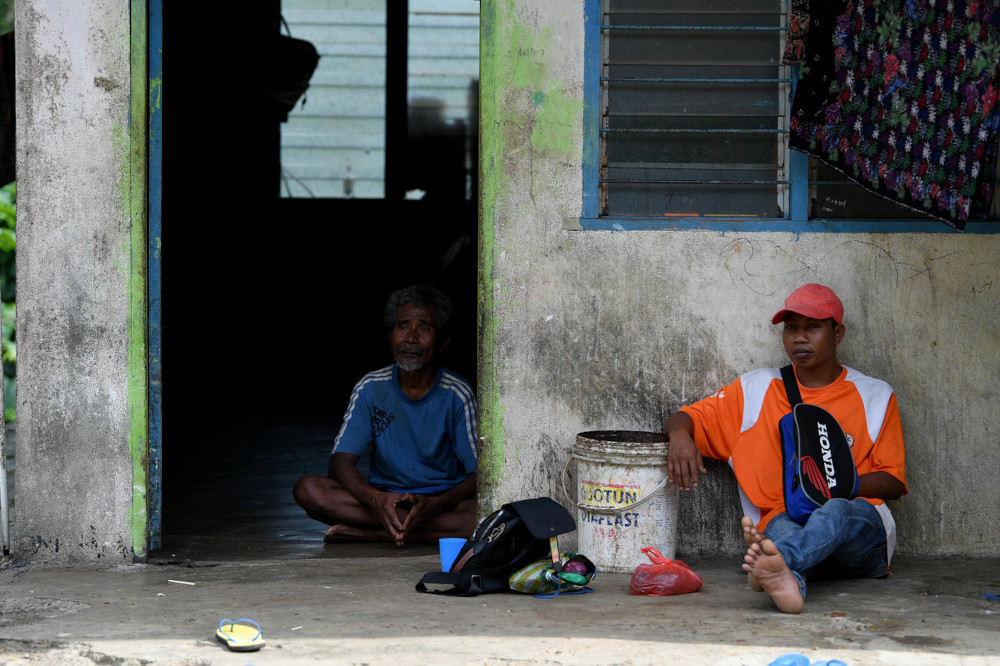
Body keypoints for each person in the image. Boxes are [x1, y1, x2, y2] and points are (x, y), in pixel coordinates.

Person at [664, 283, 907, 613]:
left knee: (832, 511)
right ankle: (784, 576)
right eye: (791, 327)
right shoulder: (756, 390)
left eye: (814, 327)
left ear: (838, 334)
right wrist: (679, 438)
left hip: (860, 538)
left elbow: (893, 482)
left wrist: (829, 485)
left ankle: (776, 563)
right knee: (777, 527)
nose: (800, 337)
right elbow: (686, 418)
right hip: (786, 523)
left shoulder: (875, 395)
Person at [292, 284, 478, 545]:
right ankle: (407, 527)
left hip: (441, 503)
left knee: (478, 519)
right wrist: (376, 500)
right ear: (392, 334)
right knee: (309, 490)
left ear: (443, 342)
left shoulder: (457, 394)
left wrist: (435, 504)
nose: (411, 338)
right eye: (403, 326)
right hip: (384, 499)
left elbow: (479, 474)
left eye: (423, 328)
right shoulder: (370, 387)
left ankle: (376, 533)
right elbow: (340, 463)